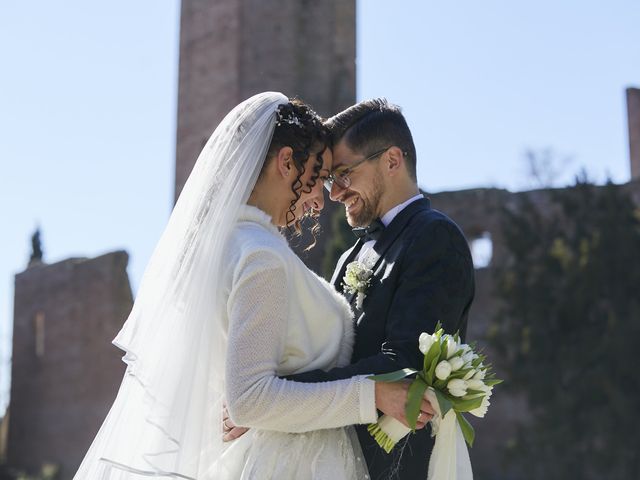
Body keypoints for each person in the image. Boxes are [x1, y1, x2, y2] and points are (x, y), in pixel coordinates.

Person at [73, 92, 434, 480]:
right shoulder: (260, 256)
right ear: (285, 163)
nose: (321, 199)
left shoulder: (230, 245)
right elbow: (249, 399)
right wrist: (372, 394)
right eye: (319, 175)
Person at [272, 98, 476, 479]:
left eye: (344, 174)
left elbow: (401, 365)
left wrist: (279, 395)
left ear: (392, 160)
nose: (335, 193)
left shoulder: (435, 237)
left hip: (397, 465)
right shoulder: (352, 253)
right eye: (331, 180)